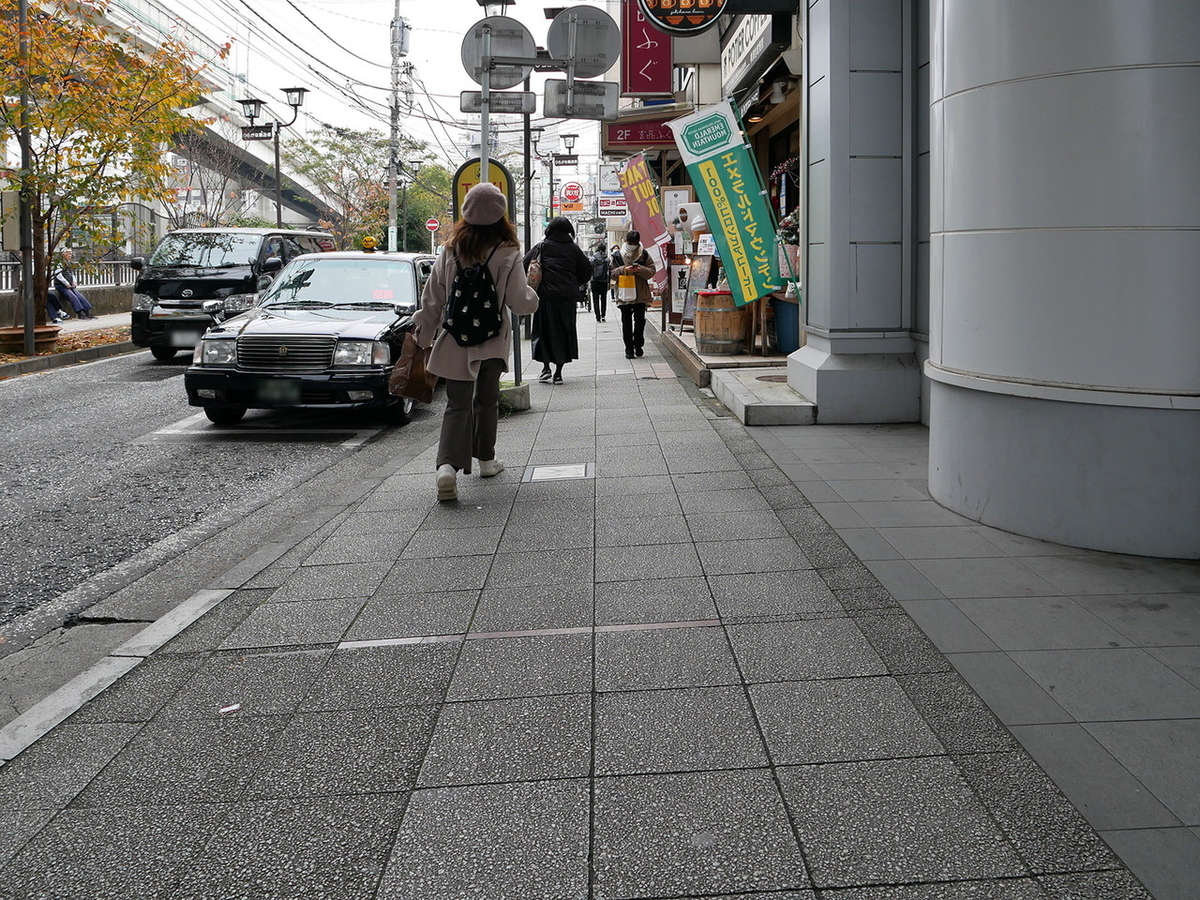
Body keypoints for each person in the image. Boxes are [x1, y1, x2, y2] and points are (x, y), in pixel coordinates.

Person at [412, 183, 539, 502]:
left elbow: (432, 299)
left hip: (454, 339)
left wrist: (423, 336)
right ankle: (486, 460)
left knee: (457, 405)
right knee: (486, 400)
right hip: (493, 339)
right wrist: (534, 290)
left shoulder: (451, 248)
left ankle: (446, 469)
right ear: (501, 214)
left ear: (466, 211)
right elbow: (520, 302)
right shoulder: (508, 251)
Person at [524, 217, 591, 385]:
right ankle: (558, 373)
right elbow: (587, 270)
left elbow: (524, 264)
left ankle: (545, 368)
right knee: (563, 332)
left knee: (544, 331)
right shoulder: (573, 249)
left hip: (544, 298)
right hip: (566, 300)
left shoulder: (541, 247)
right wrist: (574, 283)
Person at [611, 230, 656, 359]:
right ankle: (628, 348)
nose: (632, 245)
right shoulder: (618, 255)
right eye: (630, 243)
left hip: (640, 294)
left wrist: (640, 270)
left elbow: (652, 271)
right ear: (626, 242)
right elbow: (612, 273)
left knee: (640, 320)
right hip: (624, 294)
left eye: (634, 243)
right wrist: (624, 269)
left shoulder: (644, 254)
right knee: (626, 322)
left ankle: (638, 344)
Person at [52, 249, 96, 319]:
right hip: (61, 285)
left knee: (80, 296)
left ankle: (87, 312)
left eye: (71, 253)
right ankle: (80, 314)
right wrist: (66, 283)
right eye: (68, 253)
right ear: (63, 254)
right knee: (73, 297)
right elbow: (58, 275)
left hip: (69, 285)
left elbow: (72, 274)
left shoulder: (69, 263)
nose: (70, 255)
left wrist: (74, 282)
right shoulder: (59, 263)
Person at [588, 243, 610, 322]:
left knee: (595, 299)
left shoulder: (592, 259)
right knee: (603, 299)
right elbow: (609, 270)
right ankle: (603, 315)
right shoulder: (607, 259)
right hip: (604, 281)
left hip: (594, 281)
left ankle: (597, 317)